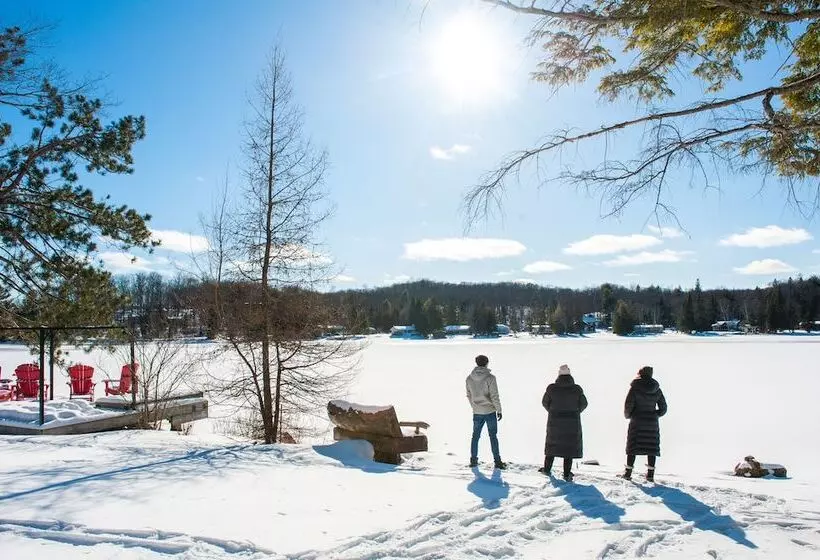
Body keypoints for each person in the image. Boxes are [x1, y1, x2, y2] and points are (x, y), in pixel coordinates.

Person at [539, 364, 588, 481]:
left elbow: (545, 402)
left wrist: (553, 412)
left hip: (554, 422)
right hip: (572, 423)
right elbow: (584, 403)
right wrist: (575, 412)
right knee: (568, 448)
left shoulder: (551, 388)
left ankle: (547, 469)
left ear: (559, 375)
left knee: (552, 445)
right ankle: (566, 474)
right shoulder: (576, 389)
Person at [622, 365, 668, 482]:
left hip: (637, 421)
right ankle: (650, 475)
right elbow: (663, 408)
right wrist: (655, 415)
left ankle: (628, 473)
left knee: (633, 446)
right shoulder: (657, 389)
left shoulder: (635, 388)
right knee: (651, 447)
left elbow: (628, 405)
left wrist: (629, 415)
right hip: (652, 422)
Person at [466, 354, 506, 469]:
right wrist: (499, 410)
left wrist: (474, 406)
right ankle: (497, 462)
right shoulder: (490, 378)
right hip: (489, 411)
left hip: (477, 412)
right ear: (487, 363)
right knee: (493, 436)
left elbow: (469, 395)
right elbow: (494, 395)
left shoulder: (469, 378)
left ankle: (473, 460)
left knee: (475, 437)